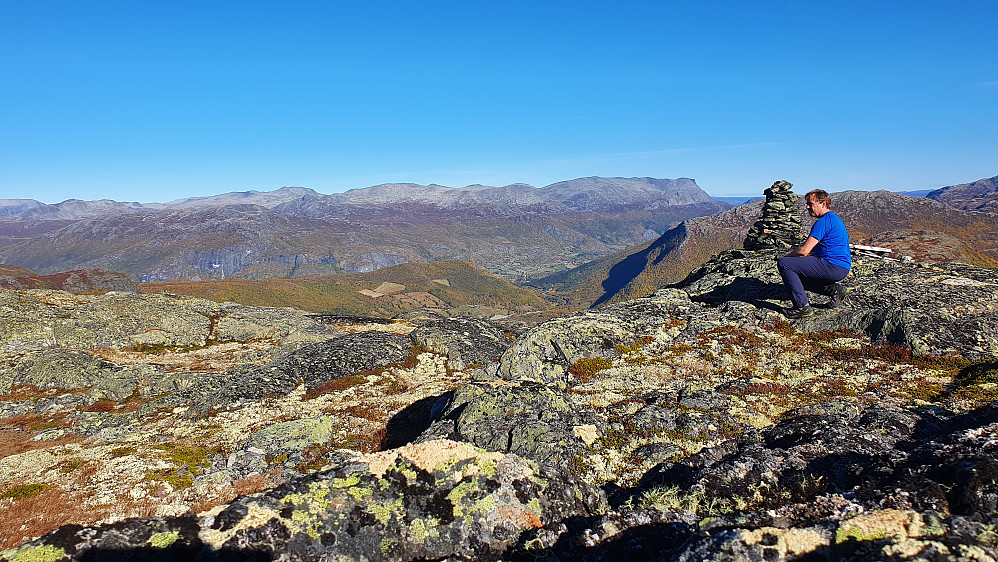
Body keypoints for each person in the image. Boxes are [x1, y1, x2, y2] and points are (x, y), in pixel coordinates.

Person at [776, 189, 851, 318]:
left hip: (831, 266)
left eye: (811, 203)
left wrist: (786, 257)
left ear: (823, 203)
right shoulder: (833, 219)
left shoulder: (823, 222)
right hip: (841, 267)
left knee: (785, 264)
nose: (807, 207)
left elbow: (804, 251)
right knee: (798, 278)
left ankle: (802, 307)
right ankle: (836, 290)